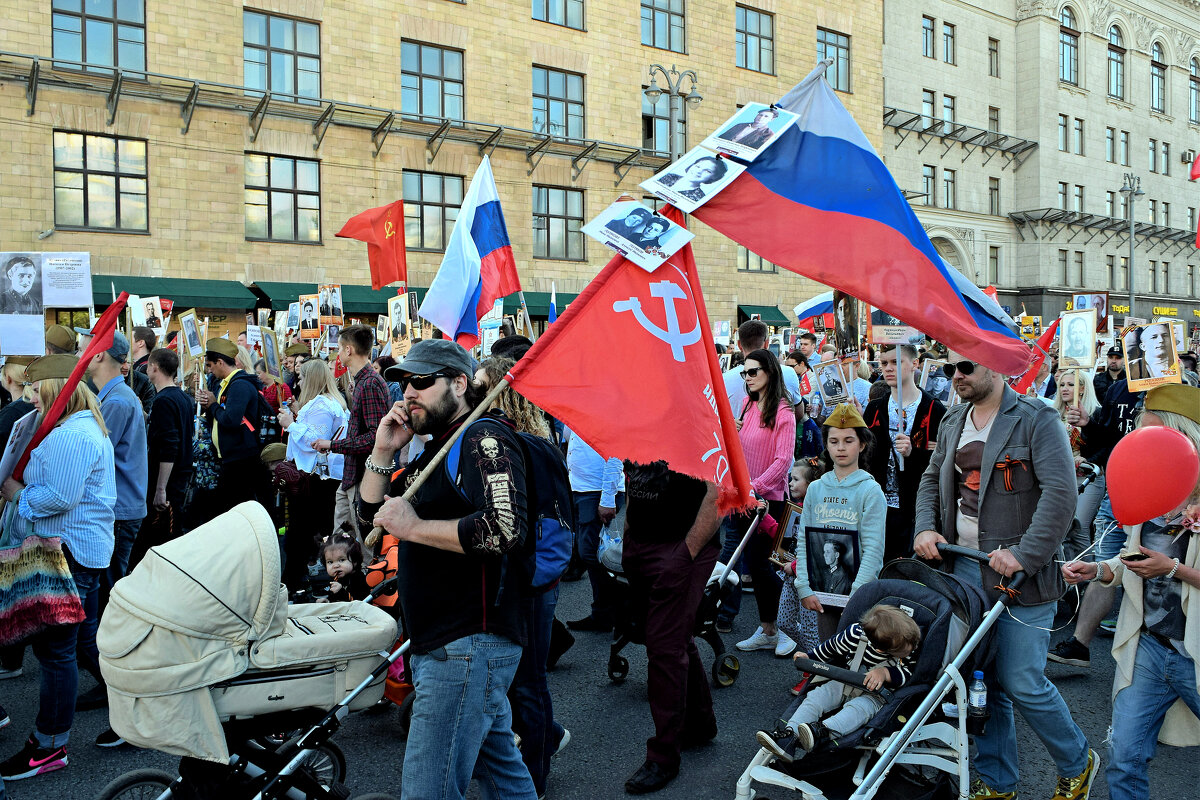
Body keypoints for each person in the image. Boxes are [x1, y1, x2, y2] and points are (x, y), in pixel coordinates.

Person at [913, 353, 1098, 800]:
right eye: (948, 370)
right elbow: (930, 478)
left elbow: (1061, 494)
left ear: (994, 365)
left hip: (1022, 579)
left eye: (966, 367)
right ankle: (998, 782)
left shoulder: (1036, 418)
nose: (956, 376)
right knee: (981, 680)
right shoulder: (952, 419)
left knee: (1021, 680)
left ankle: (1078, 761)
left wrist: (1024, 554)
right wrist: (924, 527)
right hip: (961, 567)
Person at [360, 339, 535, 800]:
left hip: (466, 645)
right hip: (447, 642)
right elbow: (371, 520)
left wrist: (414, 528)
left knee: (428, 791)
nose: (408, 393)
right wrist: (383, 450)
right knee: (502, 775)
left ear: (459, 383)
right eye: (403, 383)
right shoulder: (436, 445)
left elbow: (504, 529)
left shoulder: (483, 437)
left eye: (421, 382)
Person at [1061, 384, 1200, 800]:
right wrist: (1100, 570)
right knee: (1123, 756)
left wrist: (1175, 569)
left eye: (1155, 436)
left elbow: (1164, 564)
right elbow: (1134, 559)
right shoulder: (1152, 487)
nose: (1144, 447)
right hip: (1152, 646)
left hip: (1194, 651)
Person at [0, 355, 115, 780]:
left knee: (57, 653)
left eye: (35, 390)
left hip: (68, 552)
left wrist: (15, 492)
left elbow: (58, 499)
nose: (30, 398)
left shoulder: (74, 434)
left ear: (53, 389)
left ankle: (50, 745)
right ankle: (129, 717)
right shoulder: (79, 427)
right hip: (73, 549)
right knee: (70, 647)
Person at [474, 355, 570, 798]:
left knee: (527, 684)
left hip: (528, 582)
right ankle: (540, 749)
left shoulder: (519, 445)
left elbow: (533, 526)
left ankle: (535, 775)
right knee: (520, 683)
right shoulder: (533, 439)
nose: (470, 395)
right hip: (530, 580)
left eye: (479, 387)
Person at [620, 462, 721, 794]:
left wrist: (685, 553)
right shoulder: (635, 420)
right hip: (641, 545)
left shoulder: (699, 418)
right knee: (673, 637)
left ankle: (663, 757)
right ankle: (701, 723)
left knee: (664, 649)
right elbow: (632, 478)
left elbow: (719, 492)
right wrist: (628, 536)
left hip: (684, 546)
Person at [756, 604, 921, 762]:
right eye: (907, 649)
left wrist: (885, 673)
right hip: (846, 680)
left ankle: (823, 732)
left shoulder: (908, 645)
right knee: (816, 697)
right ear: (881, 649)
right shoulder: (854, 635)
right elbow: (829, 648)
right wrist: (809, 658)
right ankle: (789, 736)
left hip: (875, 695)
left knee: (858, 710)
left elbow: (908, 674)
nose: (913, 649)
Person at [76, 329, 146, 676]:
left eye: (88, 345)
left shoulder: (115, 400)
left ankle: (115, 678)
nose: (83, 350)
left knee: (108, 602)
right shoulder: (116, 395)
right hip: (121, 508)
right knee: (108, 596)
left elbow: (93, 453)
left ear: (101, 355)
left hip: (118, 510)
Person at [792, 404, 886, 647]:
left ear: (862, 444)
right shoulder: (815, 488)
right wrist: (803, 585)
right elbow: (805, 540)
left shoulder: (870, 491)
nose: (841, 447)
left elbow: (873, 550)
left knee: (853, 659)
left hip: (858, 596)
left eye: (848, 440)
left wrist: (857, 595)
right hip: (823, 594)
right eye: (834, 441)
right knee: (827, 653)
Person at [731, 350, 797, 657]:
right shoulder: (748, 403)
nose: (748, 377)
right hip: (746, 498)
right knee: (756, 568)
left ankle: (785, 628)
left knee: (770, 567)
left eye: (753, 371)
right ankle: (769, 628)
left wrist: (755, 487)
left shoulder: (784, 411)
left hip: (768, 501)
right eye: (744, 372)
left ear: (770, 371)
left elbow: (783, 461)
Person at [863, 344, 947, 563]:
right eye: (884, 363)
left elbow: (942, 460)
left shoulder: (934, 409)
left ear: (914, 364)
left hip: (916, 507)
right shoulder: (875, 408)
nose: (888, 369)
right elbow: (866, 457)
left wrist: (914, 452)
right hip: (879, 505)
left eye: (896, 362)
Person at [278, 358, 346, 591]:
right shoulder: (323, 403)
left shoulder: (323, 405)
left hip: (319, 478)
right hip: (319, 477)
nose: (299, 380)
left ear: (312, 379)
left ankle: (292, 583)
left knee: (301, 533)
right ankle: (299, 579)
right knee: (307, 532)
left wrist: (290, 424)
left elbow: (316, 442)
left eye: (302, 377)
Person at [315, 325, 389, 534]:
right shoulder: (362, 382)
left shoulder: (369, 383)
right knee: (342, 536)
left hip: (362, 476)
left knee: (360, 541)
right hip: (352, 474)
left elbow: (375, 437)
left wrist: (332, 445)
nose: (337, 353)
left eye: (339, 348)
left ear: (348, 350)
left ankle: (364, 569)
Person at [130, 348, 194, 567]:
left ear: (154, 367)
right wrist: (146, 416)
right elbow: (166, 430)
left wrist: (160, 489)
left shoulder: (164, 401)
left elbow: (169, 445)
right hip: (179, 477)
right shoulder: (181, 397)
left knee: (161, 538)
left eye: (148, 365)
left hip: (168, 481)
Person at [195, 338, 268, 516]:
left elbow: (230, 420)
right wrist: (209, 406)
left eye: (211, 365)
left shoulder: (240, 385)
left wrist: (212, 405)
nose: (209, 370)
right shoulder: (226, 384)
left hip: (241, 460)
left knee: (234, 511)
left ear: (220, 362)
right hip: (231, 458)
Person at [563, 425, 625, 633]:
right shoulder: (580, 399)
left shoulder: (606, 403)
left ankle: (611, 613)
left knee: (594, 554)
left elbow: (616, 454)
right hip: (581, 487)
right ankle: (606, 613)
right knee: (591, 553)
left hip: (596, 490)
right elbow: (568, 436)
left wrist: (608, 498)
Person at [1050, 370, 1104, 562]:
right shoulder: (1052, 414)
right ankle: (1067, 573)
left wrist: (1087, 460)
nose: (1065, 388)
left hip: (1088, 478)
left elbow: (1105, 445)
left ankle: (1088, 574)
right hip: (1059, 478)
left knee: (1079, 526)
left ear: (1082, 388)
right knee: (1061, 528)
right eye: (1062, 384)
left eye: (1071, 384)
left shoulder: (1096, 413)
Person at [656, 155, 728, 203]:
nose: (699, 171)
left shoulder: (699, 198)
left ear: (714, 177)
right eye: (698, 166)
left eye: (707, 171)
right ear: (692, 165)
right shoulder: (669, 176)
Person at [320, 534, 369, 603]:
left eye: (341, 560)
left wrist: (341, 592)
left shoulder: (359, 579)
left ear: (355, 560)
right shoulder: (336, 579)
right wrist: (328, 601)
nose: (335, 565)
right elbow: (335, 599)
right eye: (330, 562)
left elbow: (360, 603)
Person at [715, 106, 779, 150]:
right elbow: (722, 137)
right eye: (760, 115)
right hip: (722, 150)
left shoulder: (768, 134)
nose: (761, 118)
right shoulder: (740, 125)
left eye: (766, 116)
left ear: (771, 120)